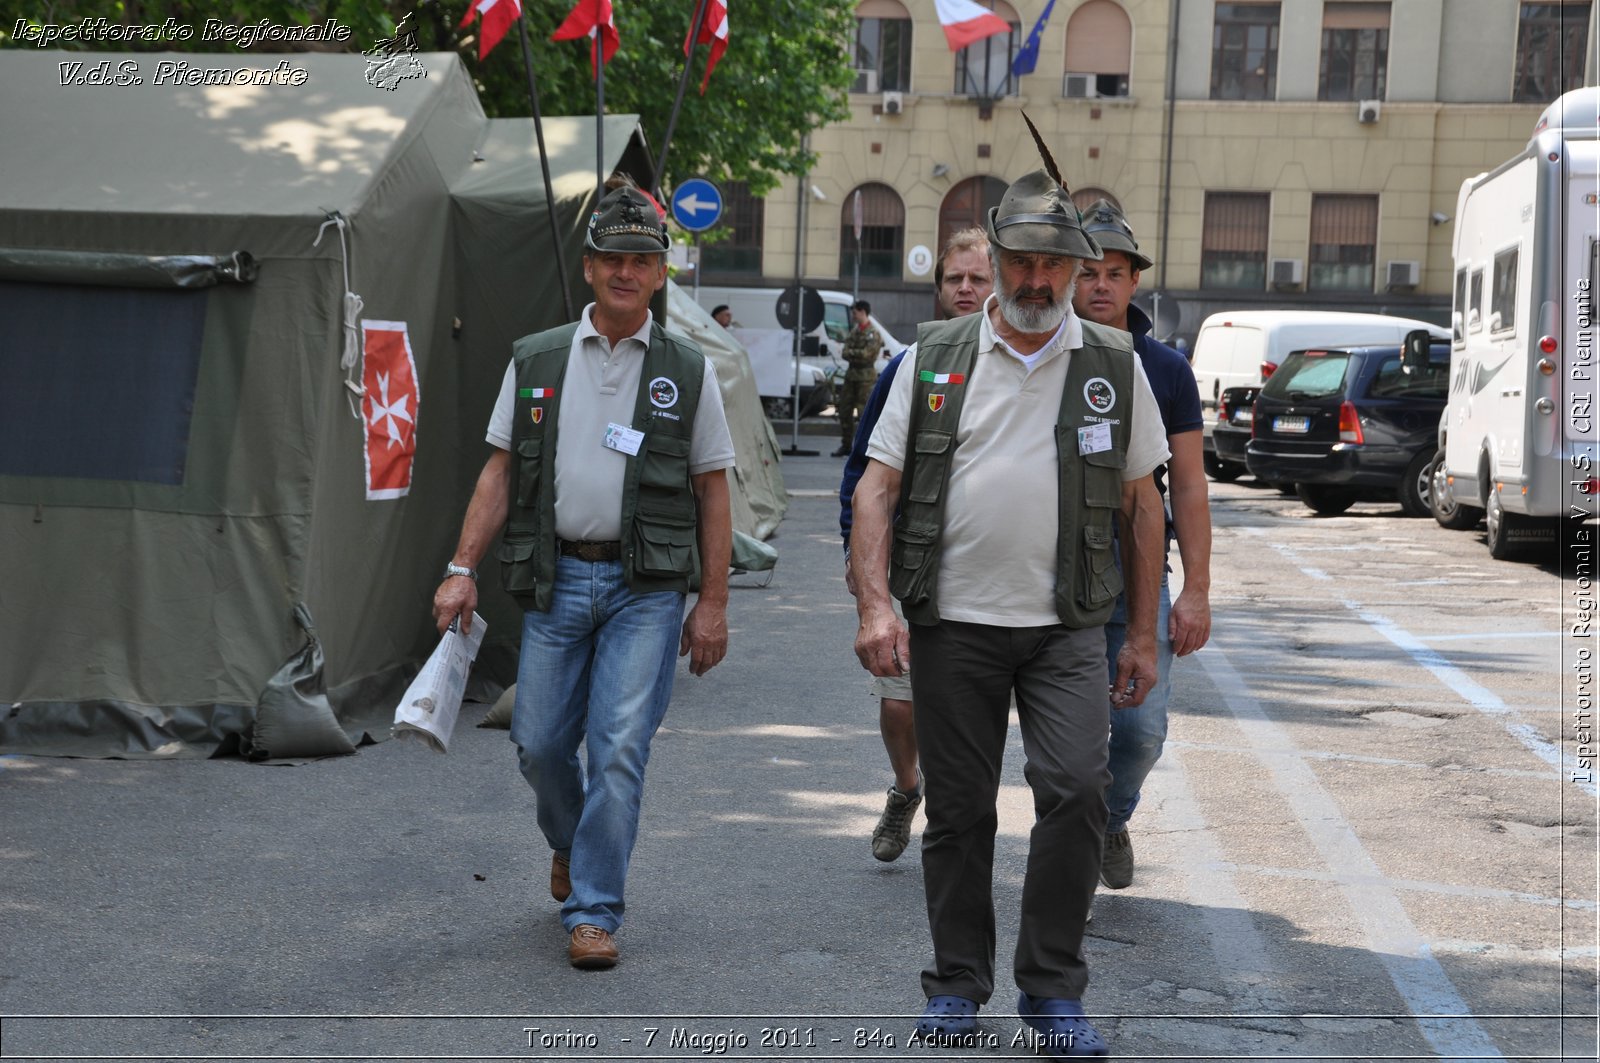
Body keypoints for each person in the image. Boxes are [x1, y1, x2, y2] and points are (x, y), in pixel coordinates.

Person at [851, 167, 1169, 1058]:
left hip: (1068, 624)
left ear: (1077, 268)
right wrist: (877, 605)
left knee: (1075, 792)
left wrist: (1142, 631)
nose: (1035, 281)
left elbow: (1145, 505)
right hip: (953, 622)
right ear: (992, 260)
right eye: (1019, 262)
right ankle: (957, 985)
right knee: (959, 813)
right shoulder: (934, 356)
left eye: (1052, 266)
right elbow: (877, 488)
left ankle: (1051, 990)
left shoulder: (1114, 364)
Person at [432, 182, 735, 971]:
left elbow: (713, 487)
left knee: (620, 746)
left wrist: (712, 603)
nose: (627, 272)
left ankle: (594, 909)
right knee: (537, 743)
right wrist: (462, 568)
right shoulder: (536, 359)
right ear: (590, 265)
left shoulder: (686, 368)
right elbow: (498, 471)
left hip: (647, 591)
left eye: (642, 260)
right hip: (558, 579)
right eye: (613, 258)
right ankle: (569, 841)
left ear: (660, 274)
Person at [838, 228, 993, 863]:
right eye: (954, 279)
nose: (965, 289)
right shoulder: (908, 367)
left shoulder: (1024, 365)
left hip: (991, 580)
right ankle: (907, 790)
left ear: (998, 285)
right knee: (901, 712)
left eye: (977, 278)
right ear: (937, 290)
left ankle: (960, 837)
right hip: (915, 569)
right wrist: (857, 560)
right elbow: (863, 475)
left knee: (968, 719)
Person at [1072, 200, 1212, 892]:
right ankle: (1065, 869)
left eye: (1116, 272)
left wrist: (1195, 589)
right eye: (1089, 271)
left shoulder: (1167, 370)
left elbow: (1186, 487)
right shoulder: (1050, 359)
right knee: (1063, 739)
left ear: (1134, 283)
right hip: (1057, 577)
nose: (1101, 284)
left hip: (1137, 578)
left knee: (1139, 731)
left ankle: (1112, 815)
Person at [833, 299, 882, 457]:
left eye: (854, 312)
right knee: (844, 410)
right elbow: (845, 351)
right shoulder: (855, 331)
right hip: (851, 376)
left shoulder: (873, 333)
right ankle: (846, 445)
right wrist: (854, 353)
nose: (853, 315)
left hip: (865, 378)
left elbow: (867, 355)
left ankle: (862, 449)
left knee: (863, 414)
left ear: (862, 312)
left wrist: (853, 353)